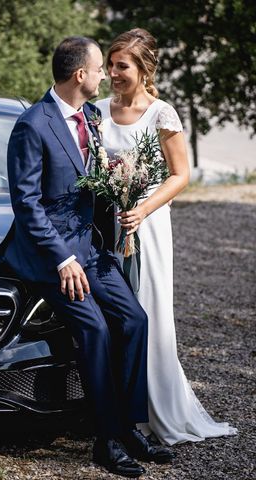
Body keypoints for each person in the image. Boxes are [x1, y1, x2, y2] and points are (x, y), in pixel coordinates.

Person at [0, 36, 175, 477]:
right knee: (95, 330)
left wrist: (121, 191)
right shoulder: (32, 125)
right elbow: (27, 205)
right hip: (48, 256)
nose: (104, 77)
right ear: (80, 75)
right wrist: (61, 260)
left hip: (91, 248)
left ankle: (129, 426)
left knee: (135, 320)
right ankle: (106, 439)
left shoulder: (89, 116)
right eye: (99, 69)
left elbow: (89, 184)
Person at [94, 28, 238, 445]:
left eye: (122, 66)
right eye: (110, 65)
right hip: (104, 224)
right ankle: (108, 405)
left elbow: (181, 175)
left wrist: (143, 209)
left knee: (148, 310)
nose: (113, 73)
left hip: (148, 225)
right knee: (109, 315)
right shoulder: (97, 111)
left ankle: (149, 408)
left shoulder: (162, 113)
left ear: (143, 70)